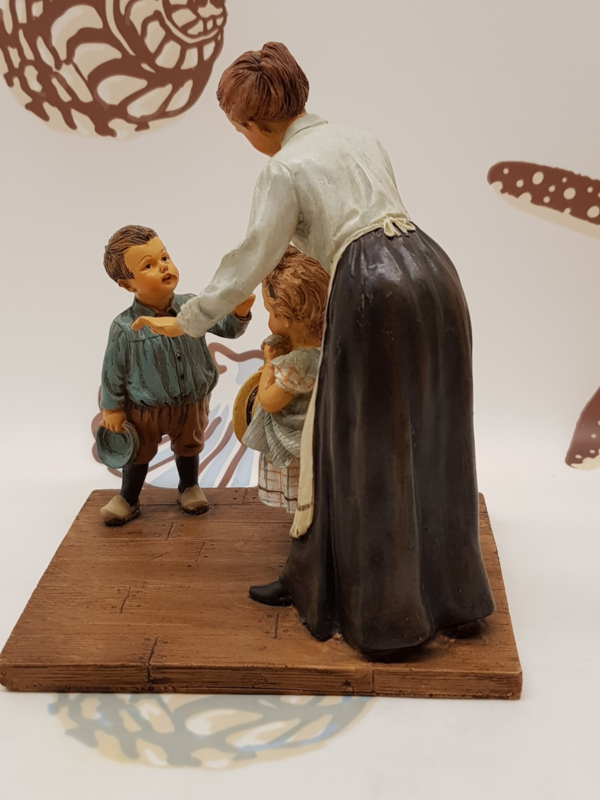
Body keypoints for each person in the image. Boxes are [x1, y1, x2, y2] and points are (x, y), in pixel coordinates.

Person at [134, 43, 495, 659]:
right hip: (434, 271)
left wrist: (189, 319)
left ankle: (385, 612)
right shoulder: (361, 138)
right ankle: (454, 597)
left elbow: (253, 256)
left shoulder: (283, 169)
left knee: (356, 443)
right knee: (434, 428)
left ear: (254, 123)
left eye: (240, 130)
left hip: (373, 286)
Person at [99, 224, 254, 526]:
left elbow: (227, 329)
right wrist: (112, 408)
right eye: (148, 265)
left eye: (164, 258)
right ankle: (128, 497)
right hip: (145, 409)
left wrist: (239, 312)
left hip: (190, 402)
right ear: (127, 284)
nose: (163, 267)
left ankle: (189, 486)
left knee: (189, 444)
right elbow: (112, 371)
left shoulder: (193, 307)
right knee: (139, 451)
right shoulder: (123, 327)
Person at [242, 246, 328, 515]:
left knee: (305, 489)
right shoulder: (325, 349)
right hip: (321, 437)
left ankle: (306, 518)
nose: (269, 320)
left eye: (271, 313)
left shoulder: (297, 363)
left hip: (296, 445)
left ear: (288, 317)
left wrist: (270, 363)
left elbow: (269, 401)